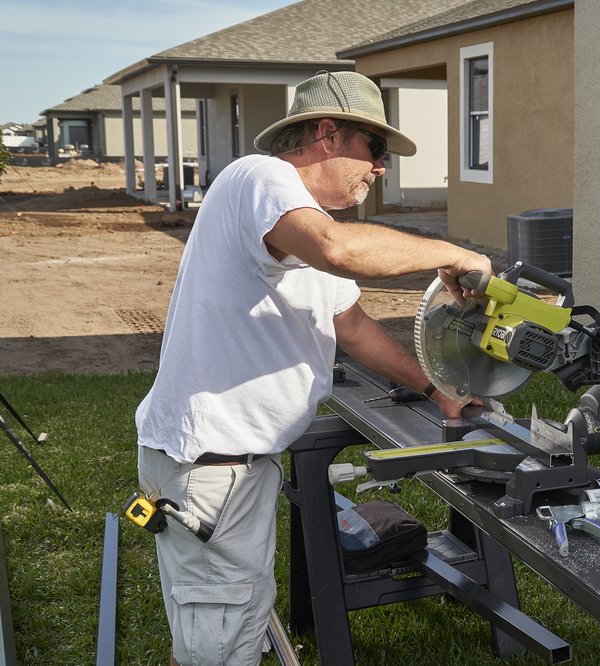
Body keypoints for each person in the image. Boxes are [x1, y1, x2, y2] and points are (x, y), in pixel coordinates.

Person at [135, 71, 493, 666]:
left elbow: (352, 328)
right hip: (210, 470)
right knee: (218, 650)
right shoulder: (261, 178)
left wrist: (436, 387)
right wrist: (455, 254)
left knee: (224, 629)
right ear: (326, 135)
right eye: (374, 149)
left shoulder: (294, 227)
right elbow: (342, 248)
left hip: (231, 468)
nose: (380, 168)